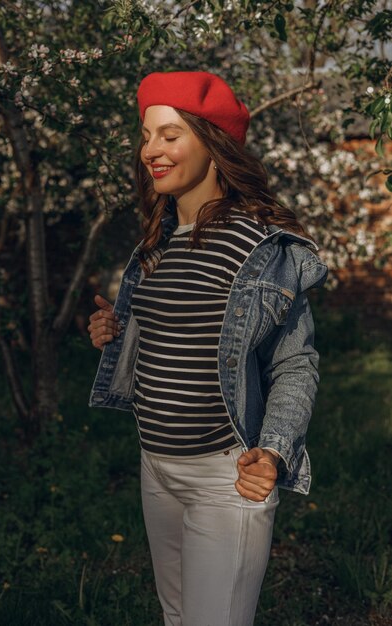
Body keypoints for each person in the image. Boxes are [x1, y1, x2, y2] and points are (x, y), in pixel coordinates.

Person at [87, 71, 328, 626]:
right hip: (156, 464)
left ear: (213, 141)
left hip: (226, 473)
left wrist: (273, 451)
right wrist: (117, 333)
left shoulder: (261, 246)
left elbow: (296, 360)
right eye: (146, 136)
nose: (151, 151)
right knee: (178, 618)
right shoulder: (156, 241)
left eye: (169, 136)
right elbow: (178, 335)